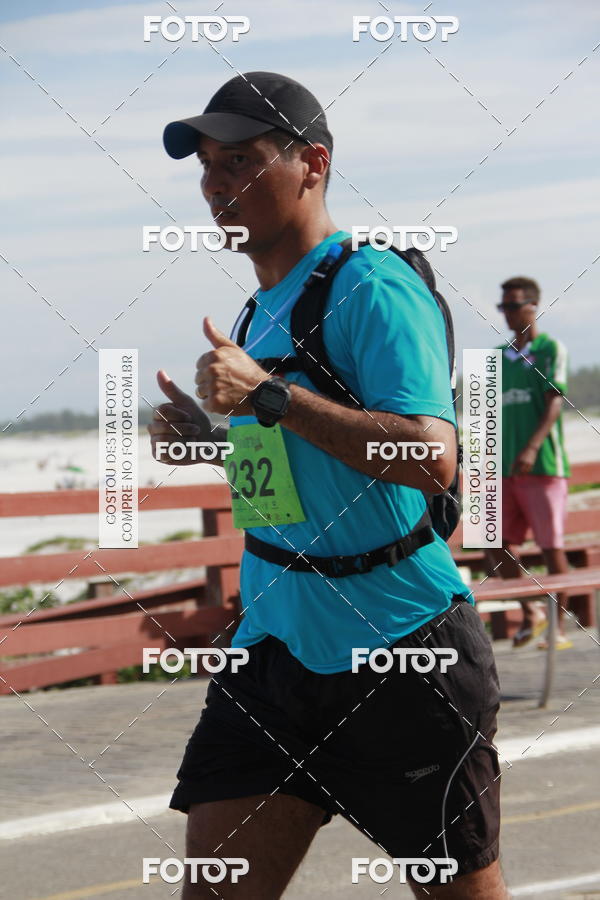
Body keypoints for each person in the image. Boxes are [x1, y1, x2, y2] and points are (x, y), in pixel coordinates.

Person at [149, 71, 507, 899]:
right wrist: (210, 442)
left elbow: (431, 458)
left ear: (311, 163)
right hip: (275, 654)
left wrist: (267, 395)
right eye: (206, 164)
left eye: (239, 159)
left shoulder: (373, 286)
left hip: (402, 652)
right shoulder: (258, 310)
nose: (215, 183)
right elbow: (293, 478)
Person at [488, 277, 572, 650]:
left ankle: (559, 628)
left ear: (532, 306)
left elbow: (555, 401)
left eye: (513, 306)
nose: (507, 314)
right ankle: (531, 610)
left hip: (543, 466)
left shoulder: (551, 348)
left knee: (551, 547)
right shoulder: (496, 357)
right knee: (492, 541)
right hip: (502, 470)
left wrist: (532, 447)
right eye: (502, 307)